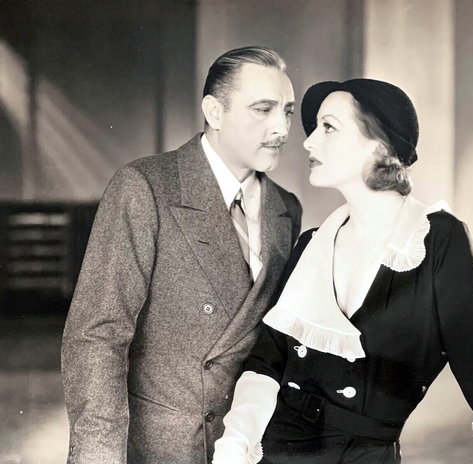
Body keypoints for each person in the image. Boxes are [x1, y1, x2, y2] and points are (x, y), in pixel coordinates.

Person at [211, 79, 473, 464]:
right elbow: (267, 361)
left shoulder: (437, 241)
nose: (309, 142)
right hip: (275, 450)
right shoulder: (312, 244)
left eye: (328, 127)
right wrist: (234, 446)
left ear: (378, 144)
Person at [61, 46, 302, 464]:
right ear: (215, 112)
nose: (281, 128)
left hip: (247, 446)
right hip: (162, 449)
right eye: (263, 109)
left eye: (287, 112)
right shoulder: (145, 186)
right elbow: (97, 335)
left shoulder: (286, 209)